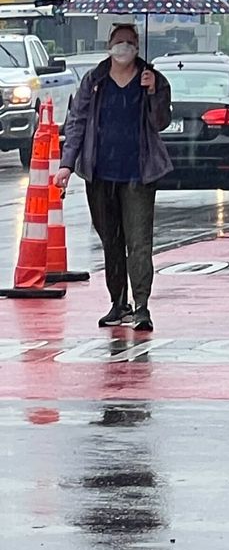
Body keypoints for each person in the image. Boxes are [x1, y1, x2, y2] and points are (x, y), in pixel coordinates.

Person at [55, 23, 171, 332]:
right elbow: (77, 122)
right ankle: (119, 303)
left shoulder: (153, 78)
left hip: (138, 174)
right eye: (118, 41)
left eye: (129, 42)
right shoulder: (95, 80)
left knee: (139, 241)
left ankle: (142, 305)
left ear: (137, 46)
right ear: (109, 45)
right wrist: (67, 165)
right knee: (111, 241)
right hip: (100, 173)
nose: (124, 47)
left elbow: (161, 122)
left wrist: (153, 91)